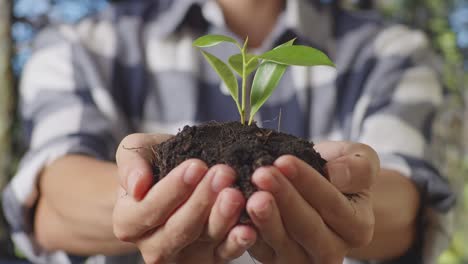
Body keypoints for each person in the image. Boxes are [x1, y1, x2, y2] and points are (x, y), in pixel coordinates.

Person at [1, 0, 455, 263]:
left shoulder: (389, 51)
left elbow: (407, 199)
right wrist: (146, 193)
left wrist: (349, 194)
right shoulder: (81, 44)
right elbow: (50, 198)